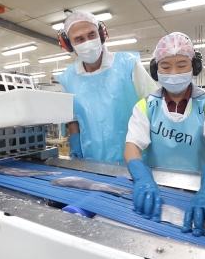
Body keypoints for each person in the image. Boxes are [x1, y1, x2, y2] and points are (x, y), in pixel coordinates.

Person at [123, 32, 205, 237]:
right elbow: (132, 146)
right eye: (165, 67)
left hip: (198, 189)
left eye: (182, 65)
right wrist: (142, 178)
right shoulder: (146, 106)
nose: (173, 73)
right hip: (156, 189)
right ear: (156, 69)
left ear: (194, 67)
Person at [55, 11, 158, 163]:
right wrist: (76, 147)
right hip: (92, 159)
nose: (87, 42)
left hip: (136, 157)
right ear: (69, 45)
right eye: (79, 39)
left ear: (101, 35)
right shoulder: (67, 79)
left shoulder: (128, 64)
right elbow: (73, 119)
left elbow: (155, 105)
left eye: (91, 35)